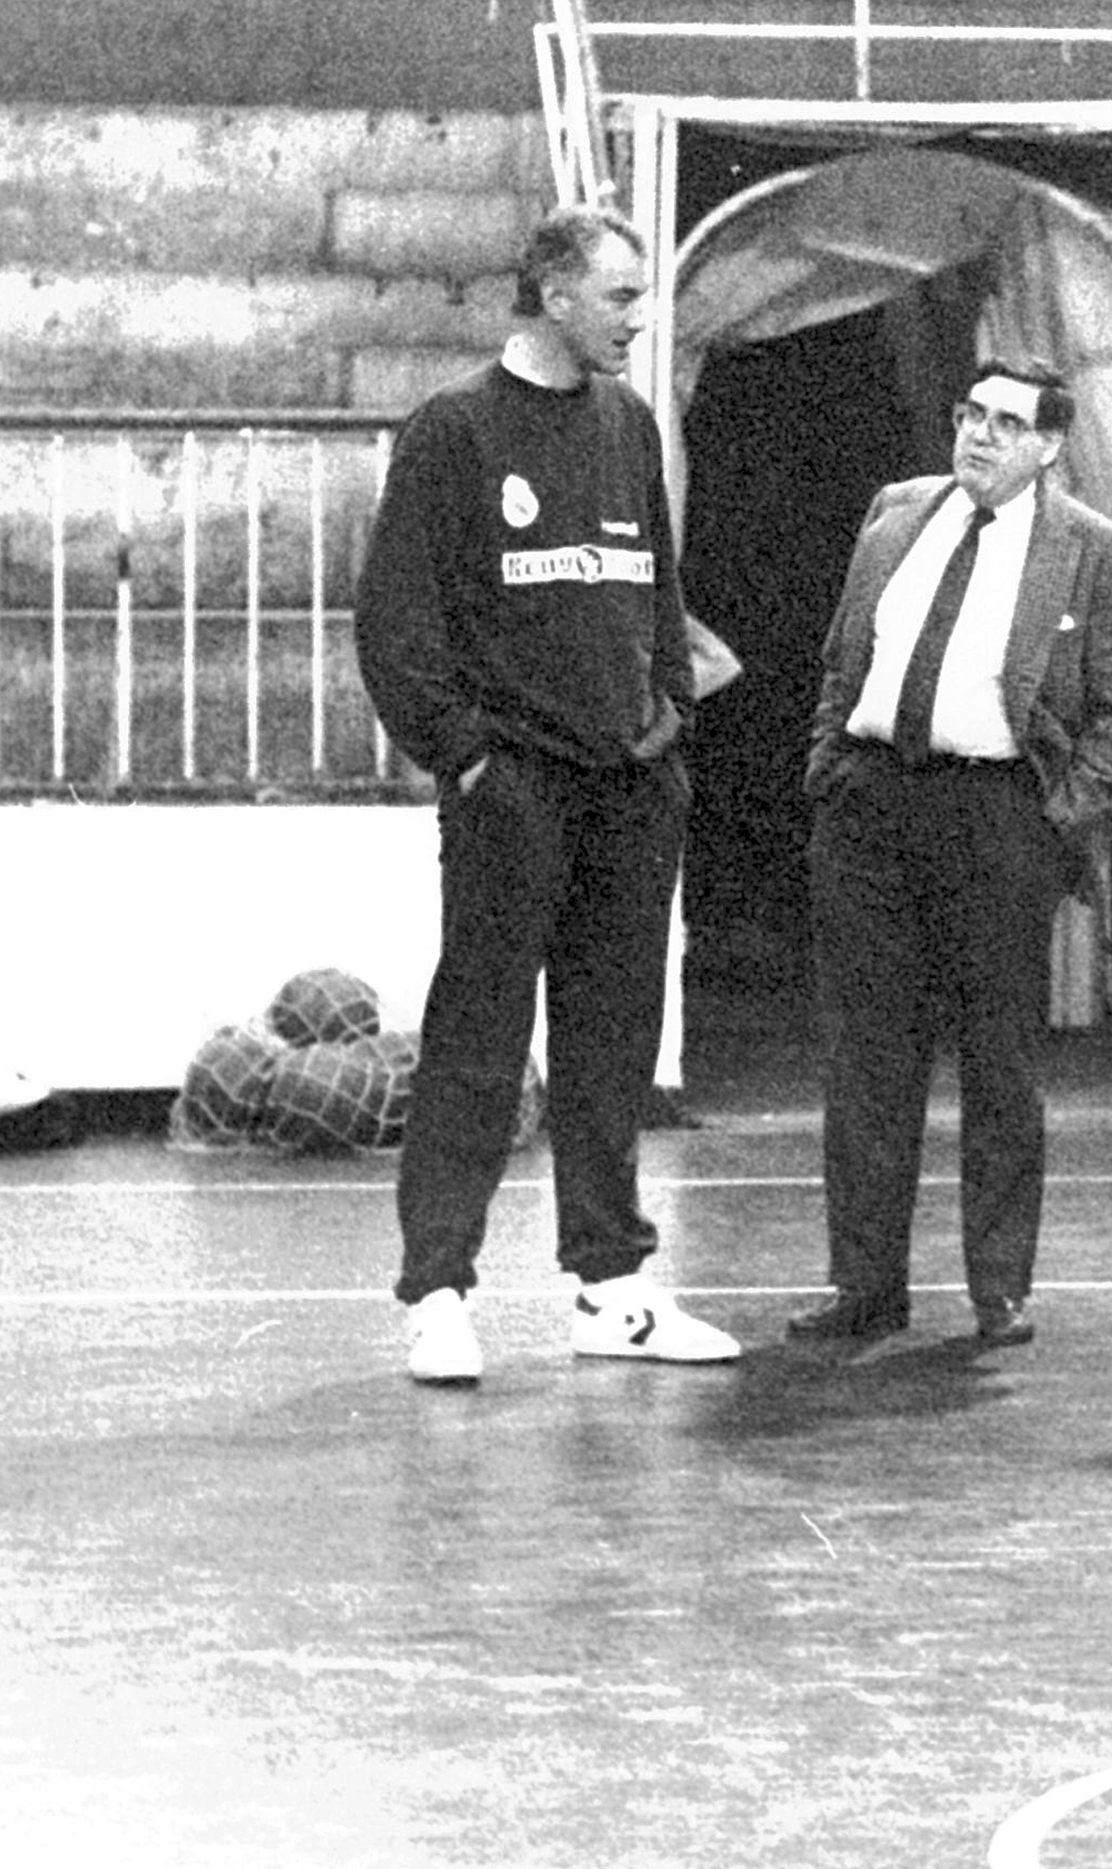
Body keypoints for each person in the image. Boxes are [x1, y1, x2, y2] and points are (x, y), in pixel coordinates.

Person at [355, 206, 741, 1387]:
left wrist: (667, 726)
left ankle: (611, 1288)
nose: (640, 318)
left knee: (614, 1041)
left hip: (631, 787)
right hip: (514, 788)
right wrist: (468, 757)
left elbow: (660, 596)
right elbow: (394, 624)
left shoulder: (629, 426)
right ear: (556, 294)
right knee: (479, 1038)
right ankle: (437, 1293)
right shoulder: (454, 431)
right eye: (621, 297)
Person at [787, 361, 1112, 1351]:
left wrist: (1055, 820)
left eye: (1006, 423)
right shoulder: (897, 512)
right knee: (867, 1060)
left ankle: (999, 1290)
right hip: (870, 807)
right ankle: (865, 1287)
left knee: (1000, 1065)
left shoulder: (1091, 550)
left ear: (1049, 445)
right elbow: (843, 659)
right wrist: (830, 770)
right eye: (970, 414)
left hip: (998, 818)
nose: (979, 435)